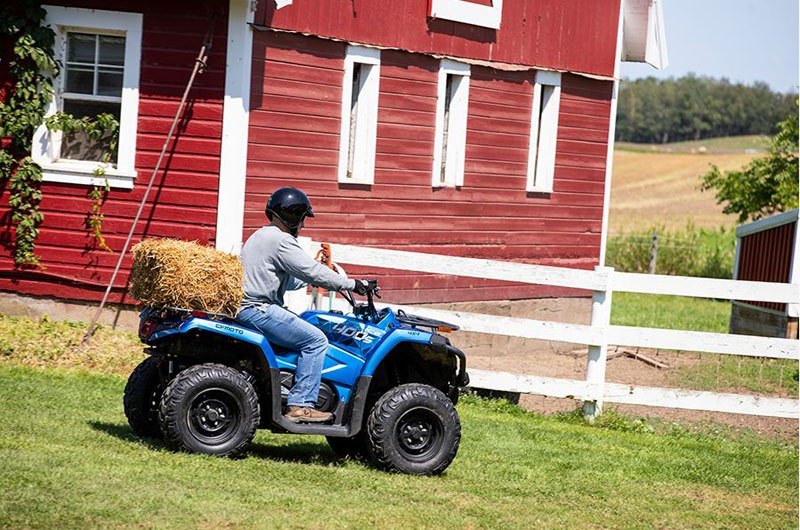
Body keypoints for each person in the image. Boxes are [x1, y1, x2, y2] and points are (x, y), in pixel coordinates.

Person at [236, 187, 369, 423]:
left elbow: (288, 278)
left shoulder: (262, 235)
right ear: (294, 215)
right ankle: (301, 404)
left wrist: (323, 276)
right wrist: (353, 284)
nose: (303, 224)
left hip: (248, 308)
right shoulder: (281, 240)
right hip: (259, 309)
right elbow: (310, 271)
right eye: (303, 217)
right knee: (316, 340)